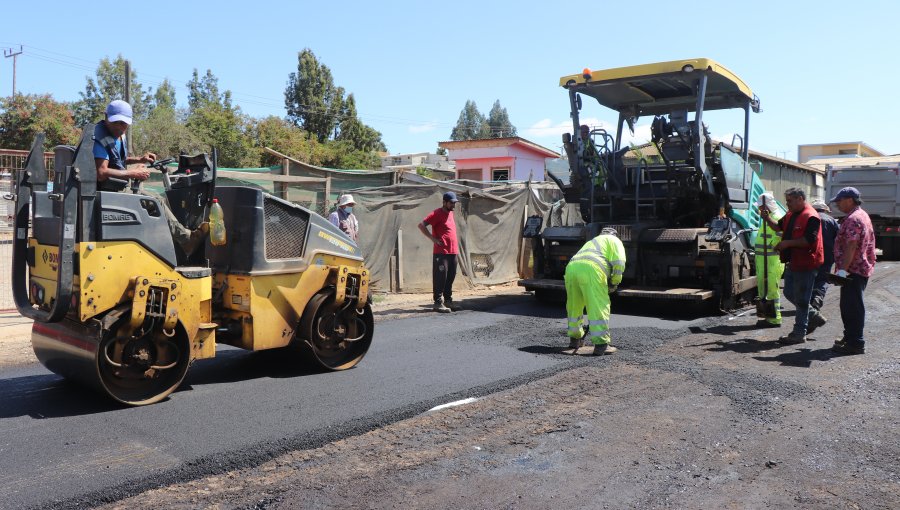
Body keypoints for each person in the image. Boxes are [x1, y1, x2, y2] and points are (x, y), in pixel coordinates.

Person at [93, 100, 207, 255]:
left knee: (162, 199)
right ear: (106, 117)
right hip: (109, 191)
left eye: (124, 124)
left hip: (118, 185)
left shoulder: (119, 135)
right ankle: (185, 240)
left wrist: (140, 159)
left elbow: (118, 160)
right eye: (117, 123)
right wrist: (133, 173)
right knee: (155, 201)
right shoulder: (99, 138)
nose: (120, 127)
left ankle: (171, 243)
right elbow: (101, 172)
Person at [760, 187, 823, 345]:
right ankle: (813, 315)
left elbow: (809, 240)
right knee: (788, 292)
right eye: (787, 201)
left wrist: (786, 243)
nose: (787, 204)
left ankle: (799, 333)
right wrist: (767, 219)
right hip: (793, 262)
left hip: (807, 263)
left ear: (800, 199)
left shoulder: (811, 217)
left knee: (802, 300)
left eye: (789, 201)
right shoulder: (790, 214)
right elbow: (778, 227)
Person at [564, 227, 626, 356]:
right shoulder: (614, 240)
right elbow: (619, 264)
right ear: (615, 234)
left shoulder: (593, 241)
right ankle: (601, 345)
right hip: (592, 270)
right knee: (598, 306)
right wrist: (614, 282)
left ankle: (575, 340)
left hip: (571, 268)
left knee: (574, 306)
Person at [830, 187, 876, 355]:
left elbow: (851, 245)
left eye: (839, 201)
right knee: (848, 305)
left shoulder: (853, 218)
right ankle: (850, 337)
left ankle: (856, 342)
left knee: (852, 306)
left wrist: (843, 270)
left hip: (853, 270)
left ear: (849, 200)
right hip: (857, 268)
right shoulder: (860, 215)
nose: (838, 205)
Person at [418, 191, 460, 313]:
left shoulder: (450, 214)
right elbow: (421, 225)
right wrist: (433, 238)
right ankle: (437, 303)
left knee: (450, 277)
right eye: (451, 203)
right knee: (440, 278)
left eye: (454, 203)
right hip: (441, 252)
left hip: (453, 251)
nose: (454, 205)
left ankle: (448, 300)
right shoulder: (436, 213)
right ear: (444, 202)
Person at [807, 199, 840, 333]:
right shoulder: (831, 221)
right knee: (822, 280)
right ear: (825, 209)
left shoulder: (809, 218)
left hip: (810, 256)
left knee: (808, 280)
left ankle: (809, 303)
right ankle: (817, 299)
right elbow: (839, 239)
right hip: (827, 257)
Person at [754, 192, 785, 327]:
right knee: (764, 290)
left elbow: (780, 237)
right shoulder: (765, 219)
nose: (758, 209)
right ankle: (767, 317)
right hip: (763, 261)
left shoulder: (776, 218)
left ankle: (774, 319)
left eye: (760, 207)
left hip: (772, 262)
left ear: (766, 207)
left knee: (772, 289)